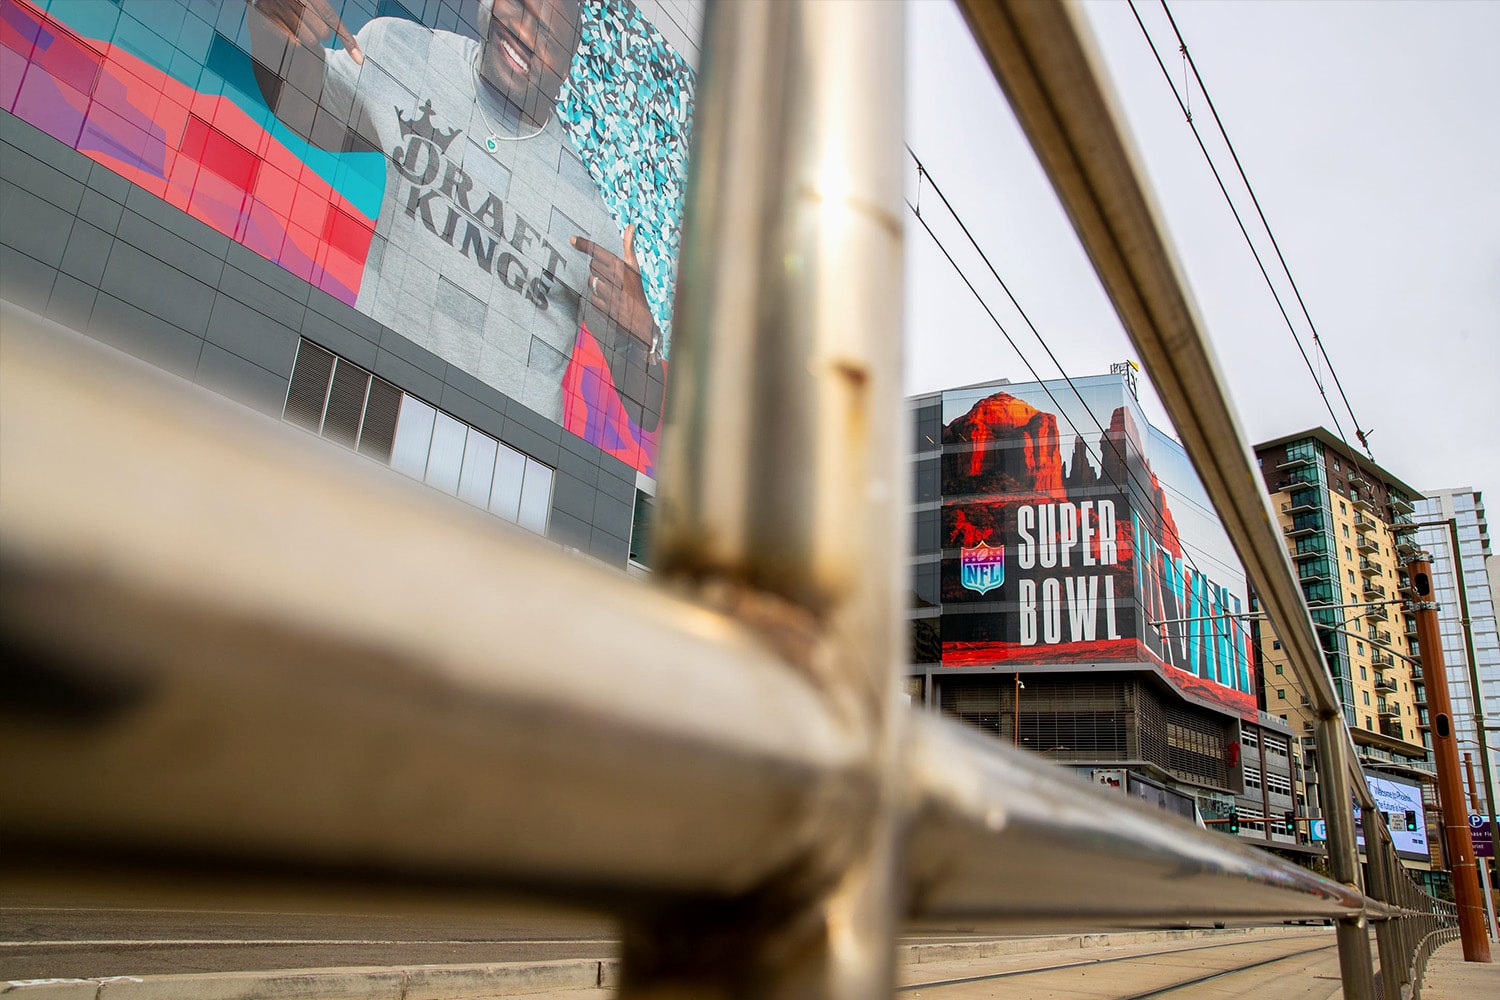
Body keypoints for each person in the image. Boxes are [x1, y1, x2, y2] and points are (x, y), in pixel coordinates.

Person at [246, 0, 663, 432]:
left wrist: (643, 339)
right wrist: (270, 18)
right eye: (518, 5)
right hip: (371, 398)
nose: (524, 32)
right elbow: (302, 105)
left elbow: (644, 409)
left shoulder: (587, 208)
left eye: (549, 36)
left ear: (567, 65)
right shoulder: (406, 53)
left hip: (500, 458)